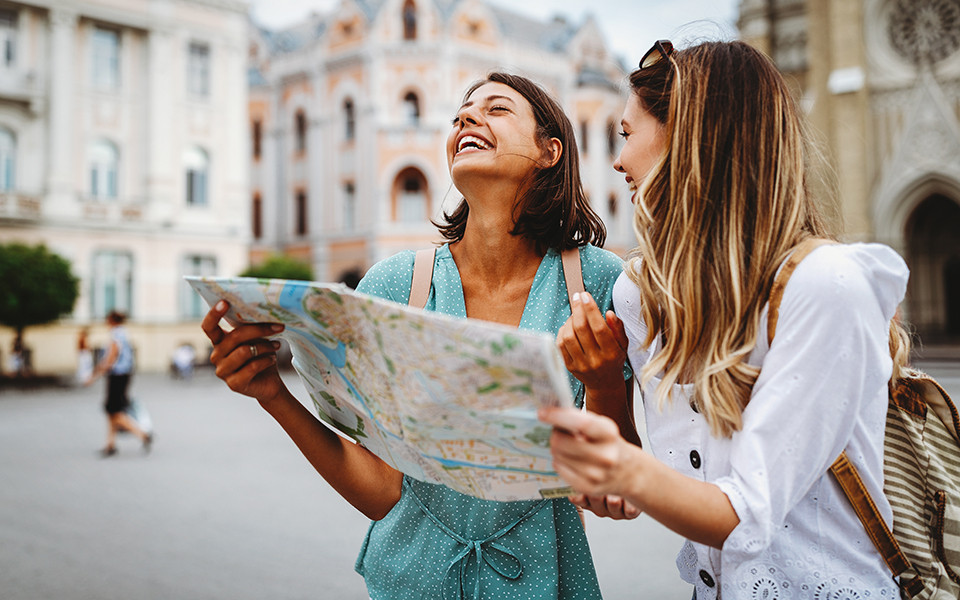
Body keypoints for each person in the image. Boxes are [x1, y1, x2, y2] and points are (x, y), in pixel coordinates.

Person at [201, 72, 630, 599]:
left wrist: (606, 382)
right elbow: (382, 491)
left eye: (496, 109)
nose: (466, 119)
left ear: (550, 150)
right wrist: (273, 394)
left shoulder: (598, 282)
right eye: (461, 115)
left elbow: (614, 485)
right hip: (409, 582)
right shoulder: (394, 283)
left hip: (544, 583)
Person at [539, 40, 909, 598]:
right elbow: (649, 489)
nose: (617, 161)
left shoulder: (824, 284)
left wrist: (618, 467)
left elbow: (746, 513)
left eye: (627, 134)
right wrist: (601, 389)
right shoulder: (642, 293)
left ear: (689, 138)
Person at [87, 310, 152, 457]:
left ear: (111, 320)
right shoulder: (124, 332)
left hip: (117, 376)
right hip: (124, 375)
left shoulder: (116, 335)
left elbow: (110, 358)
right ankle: (110, 444)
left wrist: (95, 374)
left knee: (114, 411)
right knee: (111, 411)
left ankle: (143, 434)